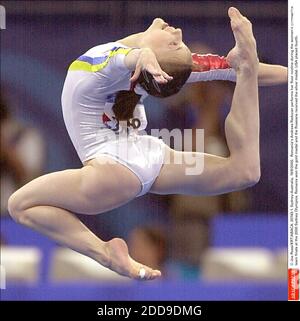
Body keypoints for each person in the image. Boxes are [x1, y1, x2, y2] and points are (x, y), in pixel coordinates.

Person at [8, 7, 286, 281]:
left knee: (20, 205)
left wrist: (260, 70)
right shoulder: (138, 64)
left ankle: (105, 253)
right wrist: (248, 68)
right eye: (178, 42)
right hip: (144, 160)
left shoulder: (102, 62)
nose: (177, 31)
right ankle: (105, 253)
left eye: (175, 42)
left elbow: (126, 58)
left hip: (117, 168)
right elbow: (130, 58)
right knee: (244, 171)